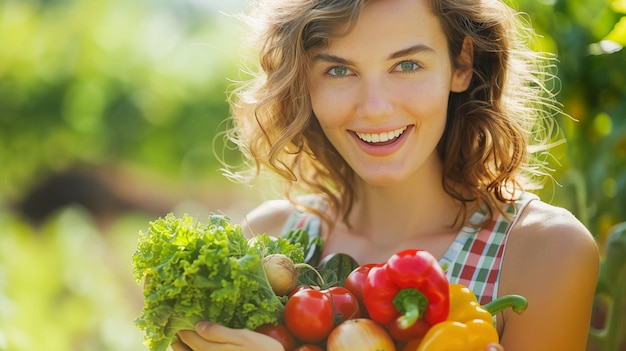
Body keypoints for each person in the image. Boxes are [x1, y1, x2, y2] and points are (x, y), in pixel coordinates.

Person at [174, 0, 600, 350]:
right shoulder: (268, 242)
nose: (374, 107)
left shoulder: (542, 253)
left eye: (407, 65)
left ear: (461, 64)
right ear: (304, 81)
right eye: (339, 70)